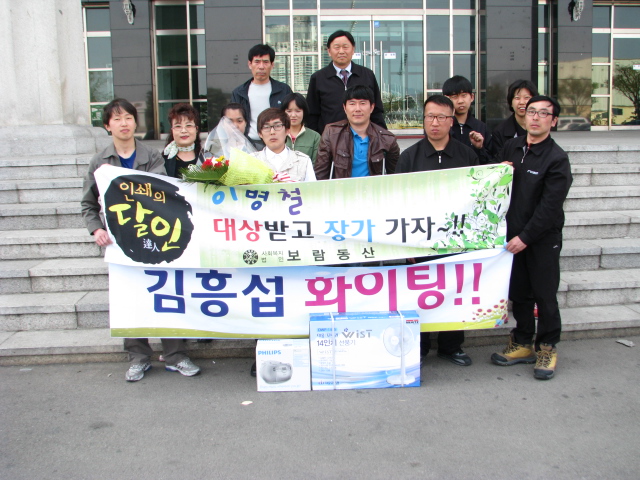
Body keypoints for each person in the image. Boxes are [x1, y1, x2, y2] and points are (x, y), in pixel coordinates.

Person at [80, 98, 201, 382]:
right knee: (130, 298)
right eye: (117, 119)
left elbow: (159, 193)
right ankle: (138, 356)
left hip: (156, 238)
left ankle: (175, 355)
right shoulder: (100, 162)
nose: (124, 123)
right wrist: (95, 229)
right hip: (119, 242)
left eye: (129, 118)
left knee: (167, 295)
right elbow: (88, 203)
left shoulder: (152, 156)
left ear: (136, 123)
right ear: (108, 125)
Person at [490, 95, 573, 380]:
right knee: (520, 293)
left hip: (541, 239)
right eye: (531, 112)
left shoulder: (557, 158)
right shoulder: (512, 147)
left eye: (543, 113)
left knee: (544, 295)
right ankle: (523, 342)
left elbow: (550, 207)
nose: (535, 117)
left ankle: (547, 346)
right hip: (513, 238)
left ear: (554, 120)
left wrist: (525, 237)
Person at [396, 95, 479, 367]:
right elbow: (399, 203)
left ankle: (451, 346)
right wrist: (406, 245)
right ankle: (419, 346)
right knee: (420, 294)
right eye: (430, 116)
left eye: (442, 117)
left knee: (455, 292)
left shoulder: (467, 155)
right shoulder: (410, 157)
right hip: (421, 240)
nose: (435, 123)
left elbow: (478, 198)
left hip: (457, 239)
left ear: (451, 121)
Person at [306, 30, 386, 135]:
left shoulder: (367, 75)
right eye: (337, 47)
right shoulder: (318, 78)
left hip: (364, 139)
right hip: (331, 141)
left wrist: (382, 137)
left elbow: (377, 111)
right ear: (329, 51)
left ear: (353, 50)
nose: (341, 51)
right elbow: (312, 115)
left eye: (345, 47)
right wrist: (319, 141)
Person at [314, 85, 399, 180]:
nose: (357, 109)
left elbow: (395, 177)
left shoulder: (387, 139)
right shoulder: (331, 133)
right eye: (352, 103)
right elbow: (320, 174)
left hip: (373, 192)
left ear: (372, 107)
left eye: (363, 103)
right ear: (345, 108)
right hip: (342, 192)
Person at [231, 44, 293, 149]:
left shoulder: (283, 90)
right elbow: (232, 122)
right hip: (249, 144)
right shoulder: (239, 93)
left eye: (265, 62)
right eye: (257, 62)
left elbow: (291, 116)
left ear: (272, 65)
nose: (261, 66)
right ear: (249, 64)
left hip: (277, 143)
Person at [252, 108, 316, 182]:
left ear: (287, 130)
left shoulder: (303, 161)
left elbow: (312, 191)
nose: (272, 132)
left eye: (277, 126)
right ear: (260, 133)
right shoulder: (252, 160)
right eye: (266, 127)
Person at [442, 75, 494, 164]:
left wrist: (479, 148)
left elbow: (490, 161)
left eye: (464, 95)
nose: (460, 101)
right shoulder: (441, 126)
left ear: (472, 97)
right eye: (454, 97)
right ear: (447, 98)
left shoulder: (481, 127)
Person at [491, 80, 539, 154]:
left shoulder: (540, 126)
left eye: (526, 97)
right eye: (517, 98)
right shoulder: (500, 132)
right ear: (511, 102)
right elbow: (497, 160)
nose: (522, 102)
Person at [163, 103, 205, 178]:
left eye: (188, 125)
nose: (183, 131)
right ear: (172, 130)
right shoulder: (162, 160)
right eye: (178, 126)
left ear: (196, 129)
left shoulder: (207, 158)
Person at [280, 92, 321, 163]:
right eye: (289, 111)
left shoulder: (315, 137)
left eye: (298, 111)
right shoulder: (277, 134)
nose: (293, 115)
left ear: (304, 112)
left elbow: (316, 164)